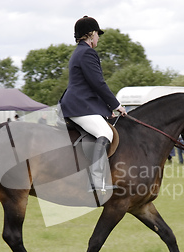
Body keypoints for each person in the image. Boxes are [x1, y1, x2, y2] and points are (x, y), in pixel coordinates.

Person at [60, 16, 127, 192]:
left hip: (81, 104)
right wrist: (116, 105)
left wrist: (106, 110)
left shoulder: (79, 52)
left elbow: (89, 86)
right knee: (105, 133)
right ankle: (96, 180)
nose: (98, 37)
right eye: (97, 34)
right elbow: (98, 84)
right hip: (78, 105)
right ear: (90, 34)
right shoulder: (87, 53)